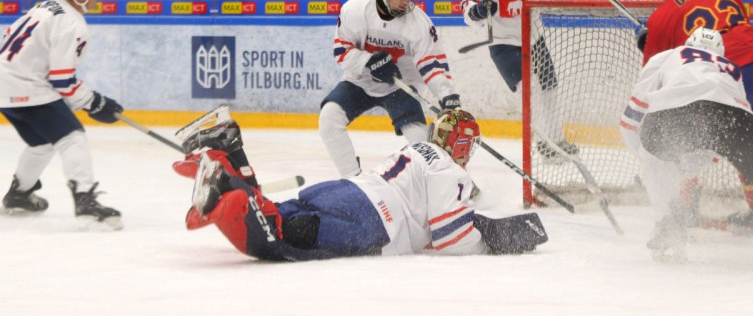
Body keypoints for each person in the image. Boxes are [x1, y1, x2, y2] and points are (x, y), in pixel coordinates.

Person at [179, 109, 548, 261]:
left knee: (282, 212)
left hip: (347, 190)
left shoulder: (416, 147)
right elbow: (451, 238)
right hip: (374, 218)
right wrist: (489, 242)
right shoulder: (452, 172)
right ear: (465, 147)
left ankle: (231, 164)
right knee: (284, 235)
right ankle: (233, 177)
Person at [620, 28, 753, 261]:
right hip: (734, 117)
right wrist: (692, 165)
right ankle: (671, 222)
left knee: (653, 158)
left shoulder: (670, 54)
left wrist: (642, 152)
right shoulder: (731, 69)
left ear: (689, 42)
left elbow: (634, 112)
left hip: (674, 110)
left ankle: (669, 223)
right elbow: (720, 138)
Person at [639, 0, 753, 234]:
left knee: (683, 138)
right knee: (747, 146)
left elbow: (653, 74)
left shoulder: (662, 15)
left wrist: (645, 41)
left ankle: (683, 210)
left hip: (727, 77)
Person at [0, 0, 124, 230]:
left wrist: (90, 102)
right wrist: (95, 103)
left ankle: (19, 194)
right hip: (26, 86)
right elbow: (63, 80)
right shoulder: (72, 23)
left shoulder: (45, 7)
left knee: (42, 143)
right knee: (72, 138)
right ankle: (85, 200)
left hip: (4, 84)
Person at [319, 0, 463, 177]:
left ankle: (444, 179)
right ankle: (354, 180)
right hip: (360, 81)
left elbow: (431, 62)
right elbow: (341, 51)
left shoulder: (419, 23)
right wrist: (369, 61)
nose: (406, 2)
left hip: (401, 86)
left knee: (420, 141)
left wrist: (447, 95)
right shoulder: (356, 9)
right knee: (329, 118)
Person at [459, 0, 577, 162]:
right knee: (530, 88)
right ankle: (545, 145)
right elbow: (466, 6)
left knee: (550, 87)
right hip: (504, 45)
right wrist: (477, 11)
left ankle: (556, 137)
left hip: (534, 39)